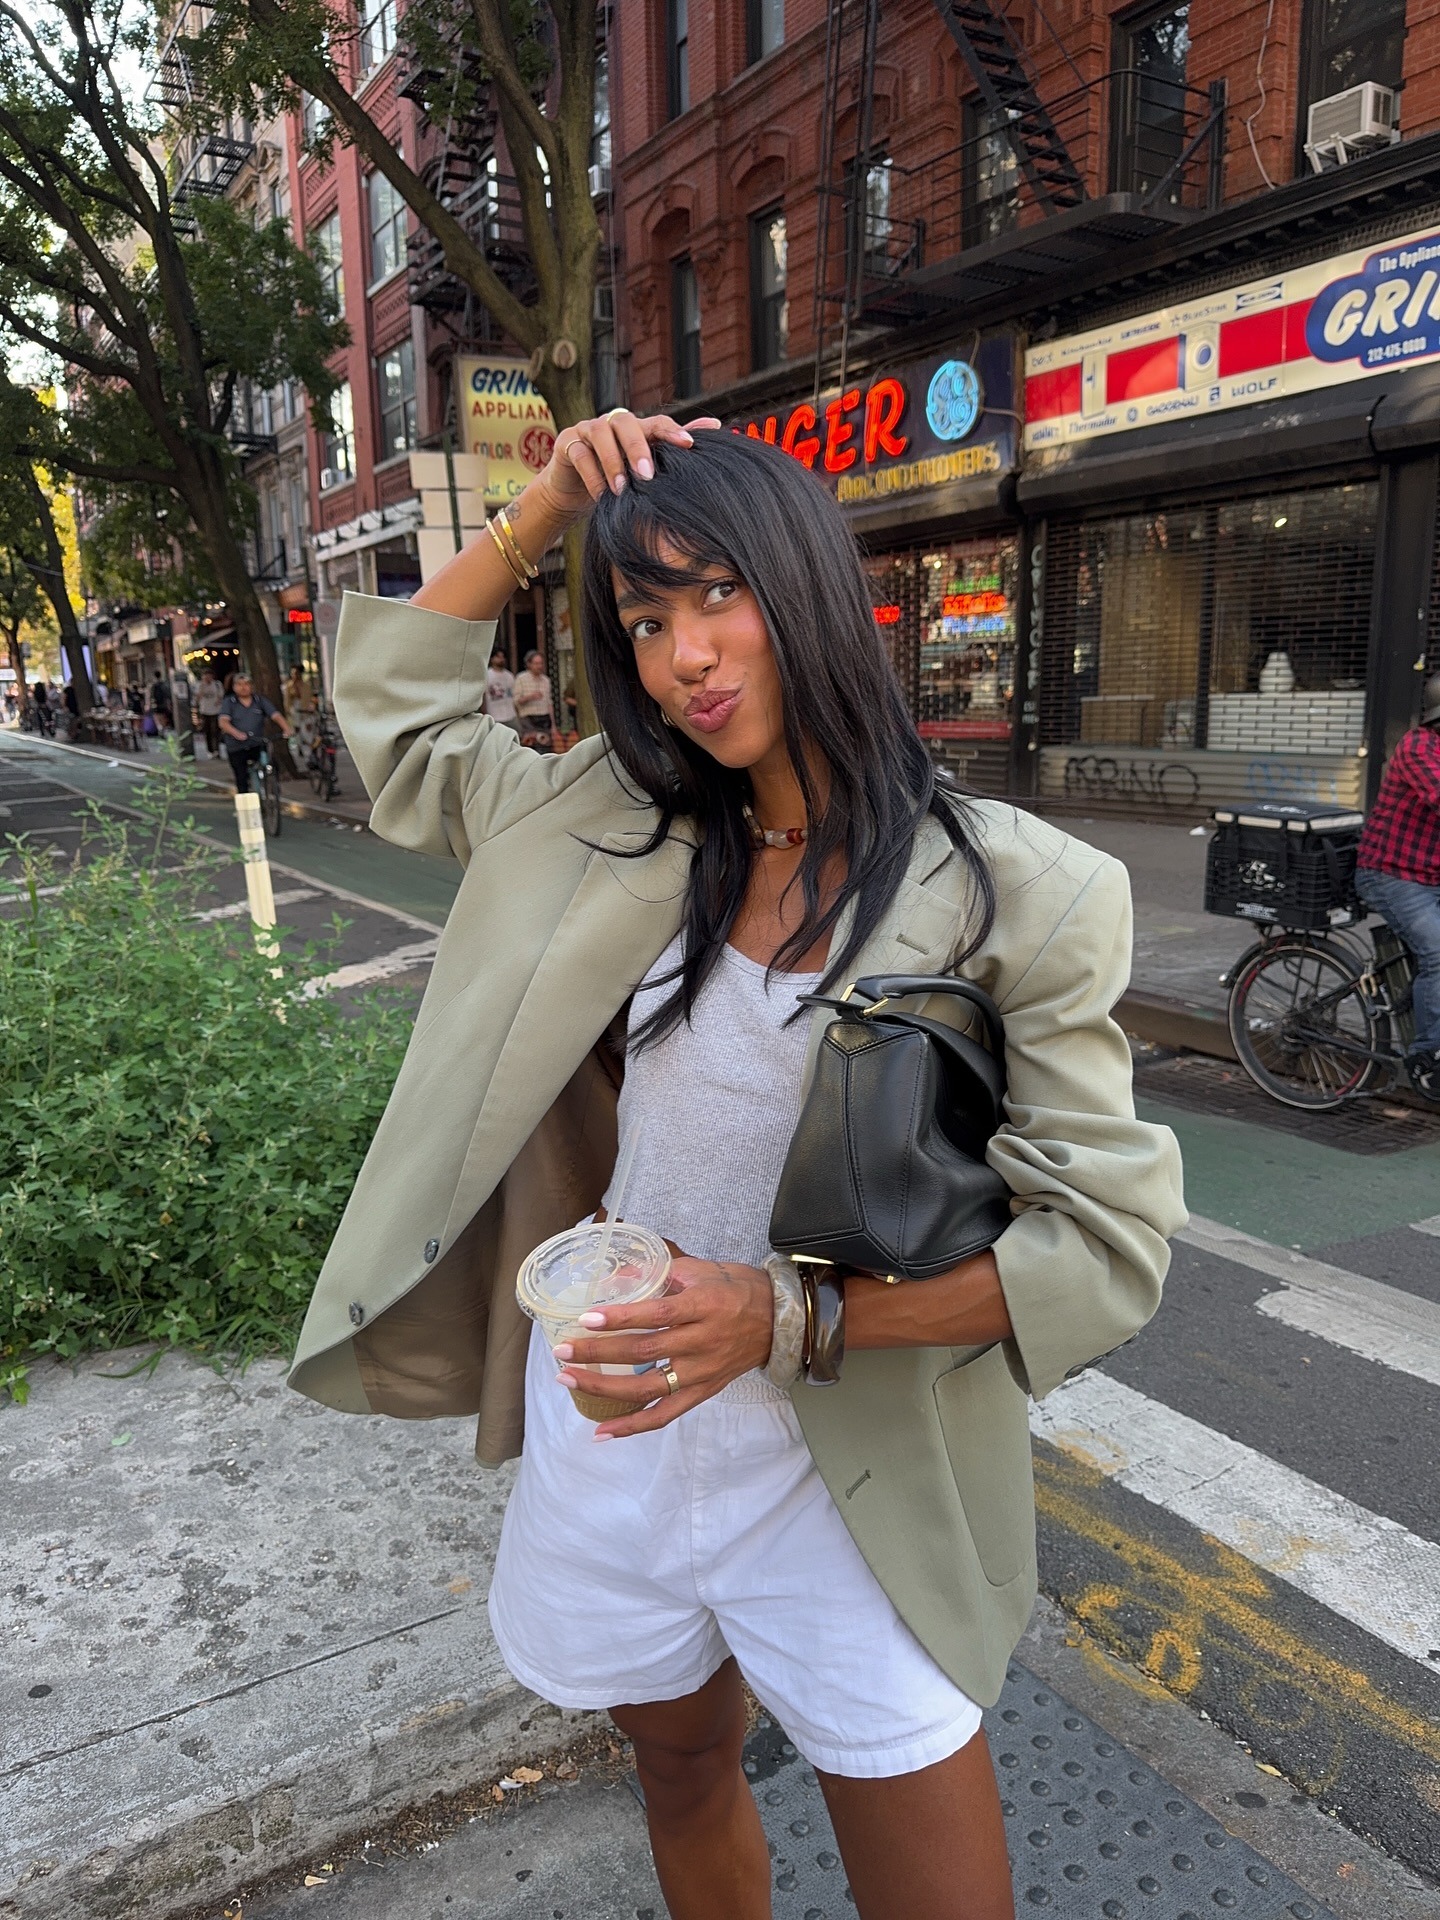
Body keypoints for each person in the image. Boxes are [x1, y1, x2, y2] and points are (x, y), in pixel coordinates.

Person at [287, 414, 1186, 1920]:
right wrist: (542, 509)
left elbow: (1104, 1253)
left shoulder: (1024, 892)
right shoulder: (619, 820)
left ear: (808, 588)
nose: (684, 658)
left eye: (719, 595)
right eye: (644, 621)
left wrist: (782, 1316)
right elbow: (400, 725)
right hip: (622, 1425)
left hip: (853, 1457)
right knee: (682, 1772)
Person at [1355, 671, 1440, 1099]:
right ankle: (1428, 1057)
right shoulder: (1418, 747)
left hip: (1431, 873)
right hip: (1392, 874)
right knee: (1439, 954)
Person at [217, 671, 291, 792]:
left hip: (256, 742)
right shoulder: (229, 702)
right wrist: (236, 733)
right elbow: (223, 722)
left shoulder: (259, 701)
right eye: (239, 684)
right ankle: (245, 799)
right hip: (236, 745)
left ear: (251, 686)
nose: (243, 687)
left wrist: (286, 728)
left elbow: (275, 715)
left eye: (246, 684)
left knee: (271, 762)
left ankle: (272, 785)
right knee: (241, 778)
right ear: (234, 687)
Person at [512, 647, 553, 737]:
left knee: (545, 744)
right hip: (528, 718)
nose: (539, 666)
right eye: (536, 663)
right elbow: (516, 701)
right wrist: (530, 697)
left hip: (544, 717)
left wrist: (553, 725)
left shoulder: (546, 680)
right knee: (531, 743)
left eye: (541, 663)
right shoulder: (521, 678)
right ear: (529, 664)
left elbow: (549, 703)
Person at [485, 646, 518, 729]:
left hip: (510, 715)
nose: (501, 659)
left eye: (503, 657)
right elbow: (484, 696)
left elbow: (514, 695)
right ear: (492, 659)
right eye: (498, 657)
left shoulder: (509, 676)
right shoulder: (487, 675)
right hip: (494, 716)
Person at [195, 668, 224, 756]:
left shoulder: (217, 684)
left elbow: (221, 696)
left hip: (216, 710)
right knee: (207, 731)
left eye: (209, 676)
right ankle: (210, 750)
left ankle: (216, 749)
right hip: (204, 710)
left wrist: (218, 701)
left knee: (216, 731)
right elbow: (198, 698)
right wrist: (202, 687)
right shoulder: (199, 685)